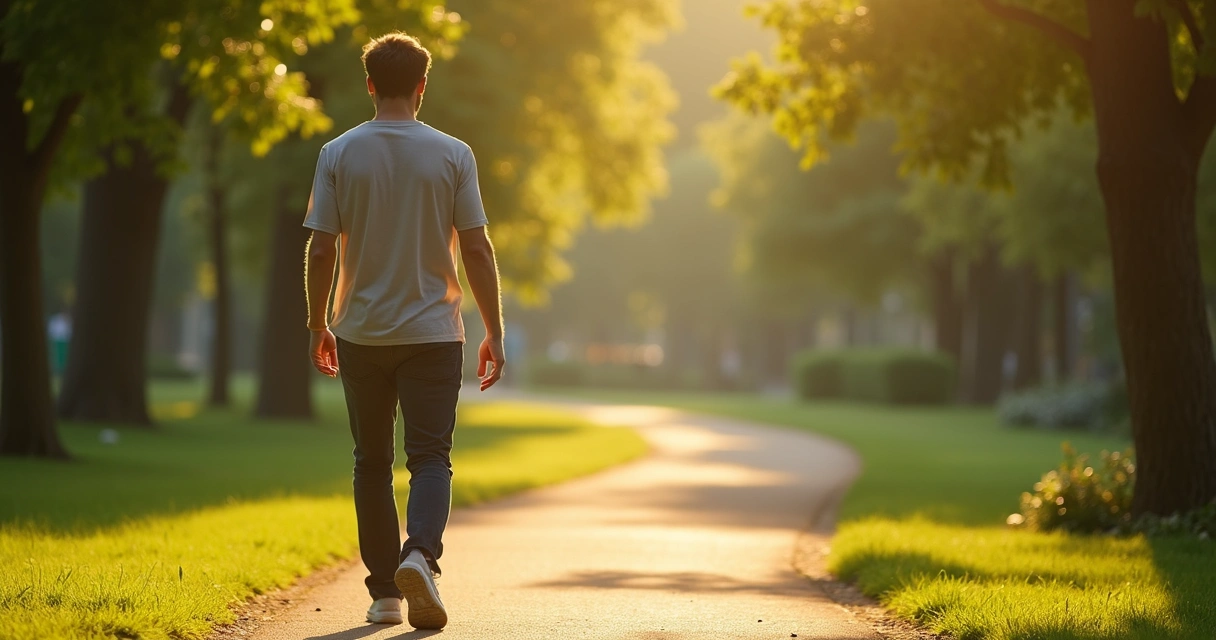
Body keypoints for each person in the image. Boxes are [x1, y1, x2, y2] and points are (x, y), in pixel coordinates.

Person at [302, 31, 505, 630]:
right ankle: (421, 554)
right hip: (435, 333)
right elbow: (477, 247)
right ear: (422, 86)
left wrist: (318, 323)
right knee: (431, 457)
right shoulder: (454, 154)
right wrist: (493, 328)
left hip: (361, 332)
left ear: (370, 85)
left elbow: (320, 249)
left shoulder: (338, 153)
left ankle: (386, 593)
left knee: (370, 461)